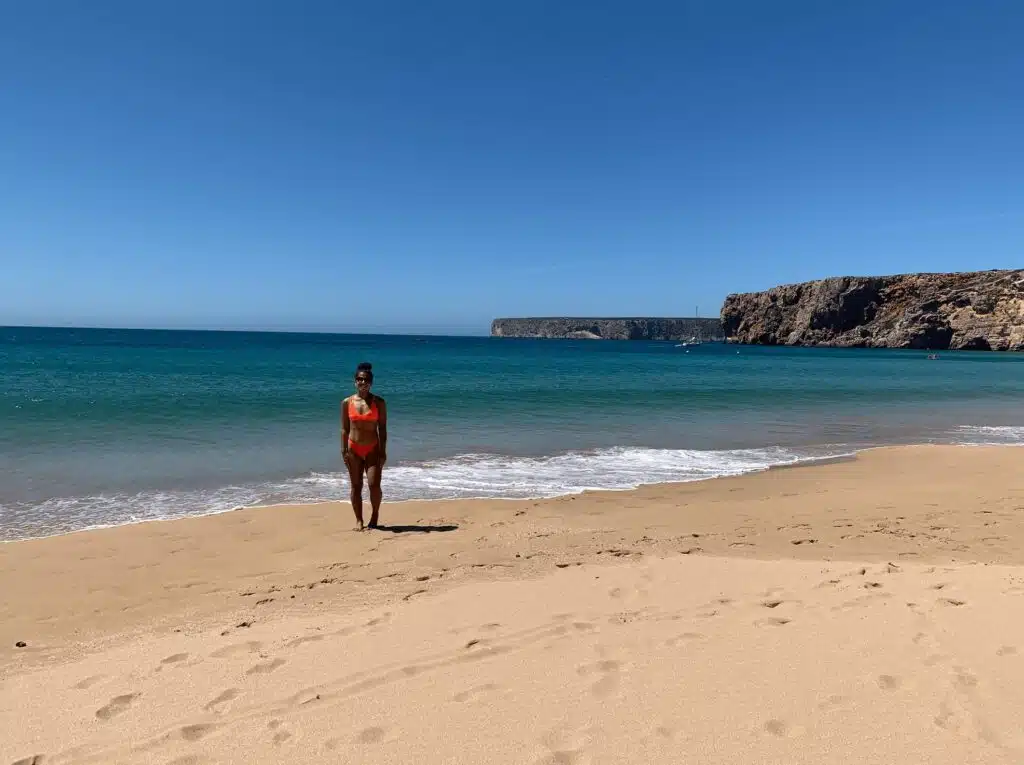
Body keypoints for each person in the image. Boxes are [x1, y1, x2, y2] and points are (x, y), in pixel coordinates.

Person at [341, 362, 388, 530]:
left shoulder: (379, 402)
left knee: (374, 485)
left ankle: (375, 515)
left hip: (373, 448)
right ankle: (359, 520)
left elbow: (382, 429)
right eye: (359, 379)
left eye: (366, 380)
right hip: (353, 449)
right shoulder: (346, 402)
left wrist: (383, 451)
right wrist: (343, 450)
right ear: (355, 381)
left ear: (371, 382)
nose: (362, 382)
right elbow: (344, 429)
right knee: (355, 485)